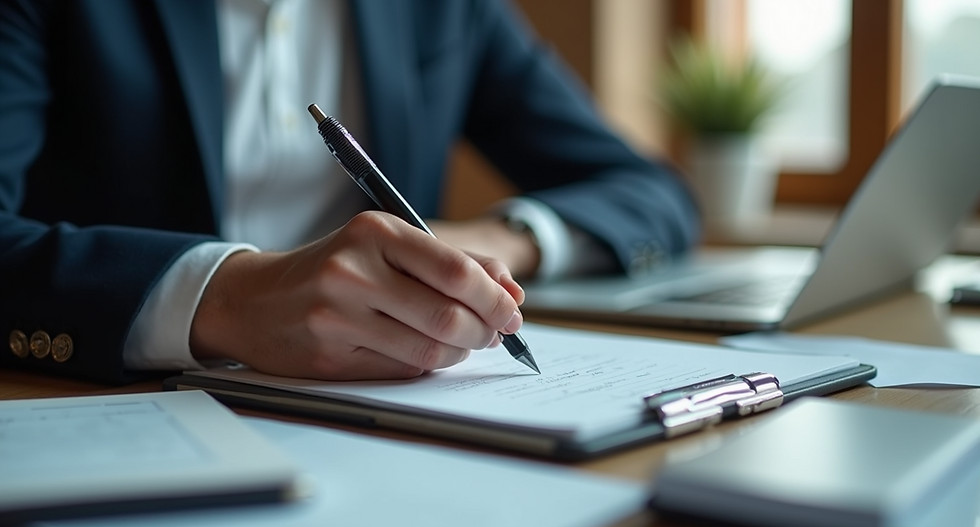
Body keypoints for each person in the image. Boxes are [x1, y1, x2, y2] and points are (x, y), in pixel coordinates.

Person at [0, 0, 700, 384]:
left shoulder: (445, 10)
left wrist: (494, 240)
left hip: (388, 420)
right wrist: (230, 300)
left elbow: (650, 190)